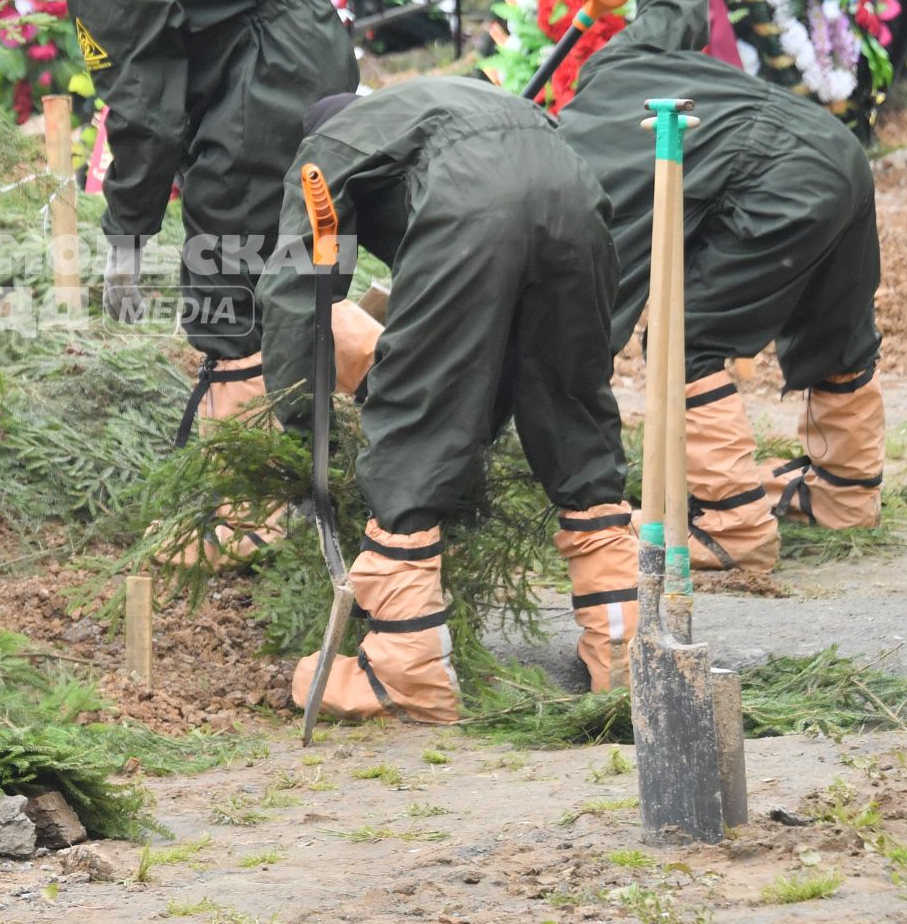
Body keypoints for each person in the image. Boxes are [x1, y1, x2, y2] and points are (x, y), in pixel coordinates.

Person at [0, 0, 375, 561]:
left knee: (222, 277)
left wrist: (125, 240)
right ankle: (366, 382)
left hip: (270, 73)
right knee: (283, 260)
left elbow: (146, 116)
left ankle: (251, 506)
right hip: (301, 45)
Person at [261, 78, 636, 721]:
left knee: (415, 415)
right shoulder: (431, 108)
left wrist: (300, 428)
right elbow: (490, 357)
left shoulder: (329, 148)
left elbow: (298, 295)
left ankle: (406, 673)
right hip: (577, 194)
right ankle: (626, 654)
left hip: (473, 203)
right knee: (575, 412)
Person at [554, 0, 885, 570]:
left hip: (779, 177)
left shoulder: (578, 162)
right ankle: (847, 494)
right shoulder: (621, 58)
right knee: (835, 323)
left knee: (684, 335)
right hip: (836, 148)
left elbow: (582, 308)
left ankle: (731, 526)